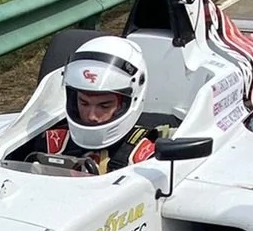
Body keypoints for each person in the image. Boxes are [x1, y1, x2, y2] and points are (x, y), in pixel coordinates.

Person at [36, 35, 169, 174]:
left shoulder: (145, 156)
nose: (91, 116)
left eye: (104, 106)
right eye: (83, 103)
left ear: (125, 103)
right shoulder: (53, 143)